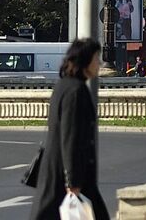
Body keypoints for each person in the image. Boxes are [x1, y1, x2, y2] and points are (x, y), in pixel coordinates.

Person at [28, 39, 108, 220]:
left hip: (62, 174)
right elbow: (70, 137)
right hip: (66, 177)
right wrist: (72, 181)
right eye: (96, 58)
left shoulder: (66, 86)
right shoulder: (75, 91)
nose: (100, 64)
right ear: (85, 61)